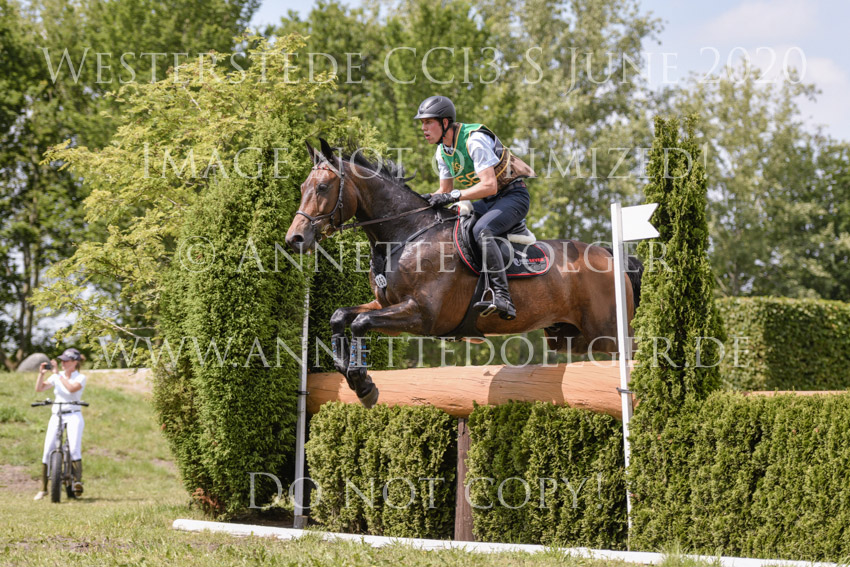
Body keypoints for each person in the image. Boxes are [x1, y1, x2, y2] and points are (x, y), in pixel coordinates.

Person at [416, 95, 536, 320]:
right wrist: (420, 199)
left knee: (482, 230)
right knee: (450, 223)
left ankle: (503, 296)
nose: (423, 128)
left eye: (428, 122)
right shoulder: (442, 152)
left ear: (444, 123)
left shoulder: (474, 140)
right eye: (422, 123)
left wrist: (454, 195)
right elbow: (445, 190)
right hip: (489, 202)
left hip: (513, 197)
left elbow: (490, 186)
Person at [33, 347, 86, 500]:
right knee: (48, 449)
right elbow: (40, 388)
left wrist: (57, 375)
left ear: (75, 362)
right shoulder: (57, 376)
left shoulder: (80, 377)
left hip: (74, 414)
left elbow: (71, 389)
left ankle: (77, 482)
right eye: (62, 360)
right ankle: (43, 488)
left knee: (74, 449)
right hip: (57, 414)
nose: (63, 363)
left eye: (66, 361)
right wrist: (41, 374)